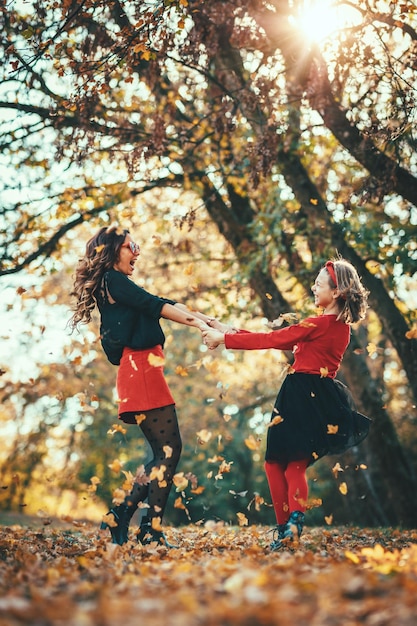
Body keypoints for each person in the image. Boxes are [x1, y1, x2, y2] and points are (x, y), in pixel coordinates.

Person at [202, 258, 371, 551]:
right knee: (295, 466)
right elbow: (282, 340)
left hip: (297, 396)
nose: (313, 287)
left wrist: (224, 339)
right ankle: (291, 526)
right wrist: (226, 329)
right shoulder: (337, 328)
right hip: (322, 400)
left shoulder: (316, 323)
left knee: (274, 464)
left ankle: (286, 528)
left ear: (337, 291)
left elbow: (273, 338)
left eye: (319, 284)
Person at [69, 225, 215, 547]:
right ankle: (141, 524)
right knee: (169, 449)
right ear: (111, 251)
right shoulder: (113, 280)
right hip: (141, 368)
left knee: (165, 451)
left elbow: (159, 301)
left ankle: (133, 520)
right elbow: (153, 305)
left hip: (142, 368)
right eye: (130, 246)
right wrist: (199, 324)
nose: (136, 252)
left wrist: (209, 321)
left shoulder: (117, 285)